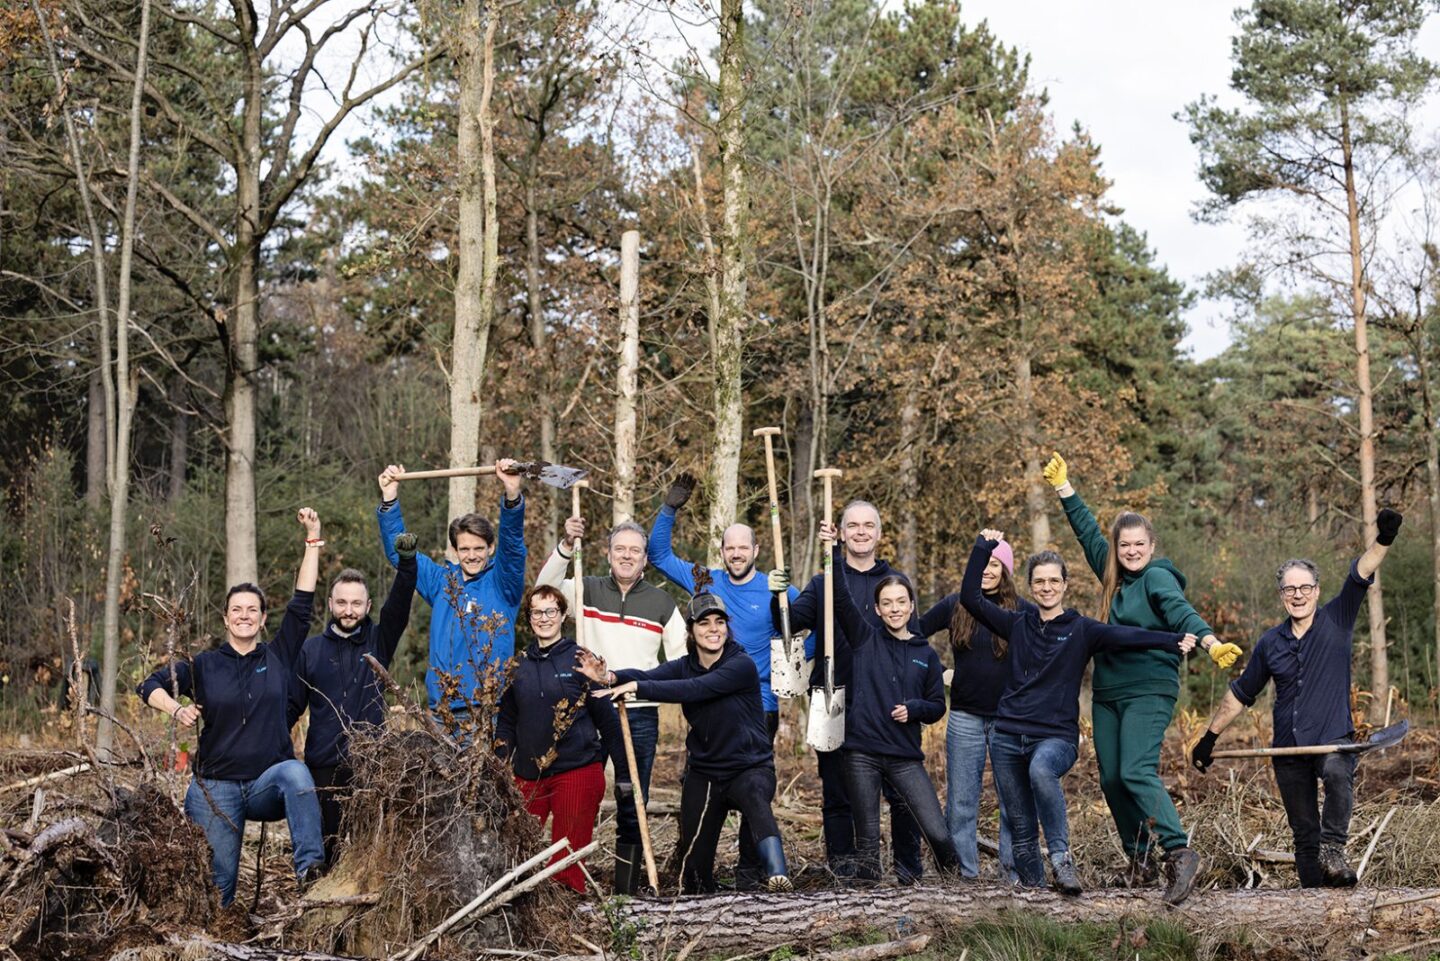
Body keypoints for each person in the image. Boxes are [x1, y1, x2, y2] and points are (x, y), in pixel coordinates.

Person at [959, 531, 1198, 899]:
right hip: (1007, 735)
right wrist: (981, 548)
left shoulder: (1081, 629)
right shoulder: (1016, 623)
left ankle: (1061, 858)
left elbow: (1127, 635)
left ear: (1066, 584)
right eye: (1039, 581)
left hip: (1054, 737)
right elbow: (970, 597)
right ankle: (1036, 896)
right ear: (1030, 586)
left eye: (1054, 580)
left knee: (1042, 770)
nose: (1047, 587)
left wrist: (1172, 639)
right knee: (1020, 825)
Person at [1043, 452, 1241, 895]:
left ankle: (1179, 853)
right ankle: (1141, 861)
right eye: (1124, 545)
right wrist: (1064, 489)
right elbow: (1088, 533)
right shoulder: (1113, 575)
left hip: (1149, 688)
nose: (1131, 551)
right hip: (1108, 691)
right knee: (1111, 778)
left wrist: (1209, 641)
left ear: (1152, 546)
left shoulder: (1156, 578)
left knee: (1135, 771)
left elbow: (1179, 611)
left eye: (1139, 544)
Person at [1191, 509, 1402, 889]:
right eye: (1290, 589)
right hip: (1286, 749)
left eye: (1305, 588)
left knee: (1338, 774)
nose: (1298, 595)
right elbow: (1241, 694)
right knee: (1304, 831)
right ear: (1281, 596)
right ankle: (1311, 903)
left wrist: (1384, 538)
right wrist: (1209, 737)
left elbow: (1361, 571)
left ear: (1317, 591)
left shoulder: (1337, 618)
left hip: (1332, 740)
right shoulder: (1271, 643)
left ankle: (1334, 849)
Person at [137, 509, 326, 906]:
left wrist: (312, 539)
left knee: (297, 772)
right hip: (216, 788)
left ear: (261, 620)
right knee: (219, 890)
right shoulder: (205, 664)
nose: (244, 615)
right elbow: (148, 685)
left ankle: (311, 872)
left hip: (265, 786)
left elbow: (303, 603)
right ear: (226, 618)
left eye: (251, 610)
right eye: (236, 609)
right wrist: (176, 709)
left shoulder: (278, 656)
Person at [576, 592, 791, 894]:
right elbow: (650, 674)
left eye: (719, 622)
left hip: (749, 768)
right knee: (694, 866)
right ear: (691, 631)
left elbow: (694, 689)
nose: (713, 629)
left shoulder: (740, 664)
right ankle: (703, 895)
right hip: (705, 773)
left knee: (756, 799)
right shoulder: (684, 665)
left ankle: (777, 876)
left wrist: (638, 688)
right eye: (704, 623)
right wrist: (610, 676)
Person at [646, 472, 801, 888]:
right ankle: (697, 874)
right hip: (708, 710)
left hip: (757, 709)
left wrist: (794, 652)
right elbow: (658, 555)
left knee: (754, 791)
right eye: (729, 548)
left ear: (756, 549)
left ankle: (753, 876)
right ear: (722, 552)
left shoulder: (774, 586)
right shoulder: (707, 581)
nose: (736, 554)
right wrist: (669, 509)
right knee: (706, 788)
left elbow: (810, 622)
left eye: (742, 547)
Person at [768, 500, 925, 883]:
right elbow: (792, 622)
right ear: (841, 532)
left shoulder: (894, 586)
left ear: (879, 533)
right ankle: (844, 866)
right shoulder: (825, 581)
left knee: (901, 792)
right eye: (852, 525)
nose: (860, 531)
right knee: (838, 791)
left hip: (887, 702)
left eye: (868, 525)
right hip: (832, 696)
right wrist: (779, 595)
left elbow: (912, 643)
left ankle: (907, 869)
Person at [535, 517, 686, 894]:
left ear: (645, 558)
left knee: (632, 798)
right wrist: (567, 544)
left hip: (638, 713)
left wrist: (642, 683)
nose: (627, 556)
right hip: (587, 712)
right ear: (607, 553)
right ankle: (567, 880)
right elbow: (544, 589)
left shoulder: (661, 602)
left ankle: (627, 888)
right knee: (579, 796)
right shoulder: (585, 588)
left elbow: (681, 661)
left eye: (635, 550)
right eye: (620, 549)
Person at [815, 528, 961, 884]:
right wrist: (834, 550)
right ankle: (869, 906)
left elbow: (936, 707)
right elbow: (842, 597)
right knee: (866, 842)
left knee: (938, 832)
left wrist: (914, 709)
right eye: (887, 604)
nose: (895, 609)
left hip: (904, 756)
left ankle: (956, 889)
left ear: (911, 606)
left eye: (901, 602)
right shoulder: (864, 639)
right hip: (862, 753)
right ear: (878, 610)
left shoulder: (925, 653)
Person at [292, 533, 418, 866]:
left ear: (367, 607)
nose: (349, 610)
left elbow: (400, 603)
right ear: (331, 604)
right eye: (342, 603)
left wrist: (407, 563)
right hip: (323, 766)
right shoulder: (310, 651)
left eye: (356, 603)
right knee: (328, 847)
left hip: (370, 764)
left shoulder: (380, 641)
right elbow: (291, 707)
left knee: (368, 850)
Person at [496, 585, 629, 893]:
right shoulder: (517, 666)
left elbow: (608, 724)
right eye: (537, 612)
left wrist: (621, 774)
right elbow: (506, 722)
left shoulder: (581, 661)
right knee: (514, 849)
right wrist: (499, 763)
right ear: (529, 618)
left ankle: (566, 917)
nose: (544, 618)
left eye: (551, 611)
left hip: (576, 772)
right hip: (529, 775)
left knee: (564, 863)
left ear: (563, 615)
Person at [918, 537, 1034, 880]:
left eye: (994, 565)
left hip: (1008, 720)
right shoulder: (956, 604)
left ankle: (1011, 877)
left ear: (1006, 571)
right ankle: (964, 877)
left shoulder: (1023, 610)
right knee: (961, 803)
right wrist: (939, 673)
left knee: (1011, 802)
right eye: (981, 564)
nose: (986, 571)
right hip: (965, 717)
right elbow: (914, 634)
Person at [376, 461, 526, 724]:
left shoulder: (503, 585)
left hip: (488, 711)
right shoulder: (442, 583)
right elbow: (401, 554)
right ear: (455, 551)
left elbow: (512, 547)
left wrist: (512, 495)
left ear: (491, 548)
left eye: (479, 548)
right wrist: (389, 499)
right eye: (465, 549)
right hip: (441, 712)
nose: (472, 556)